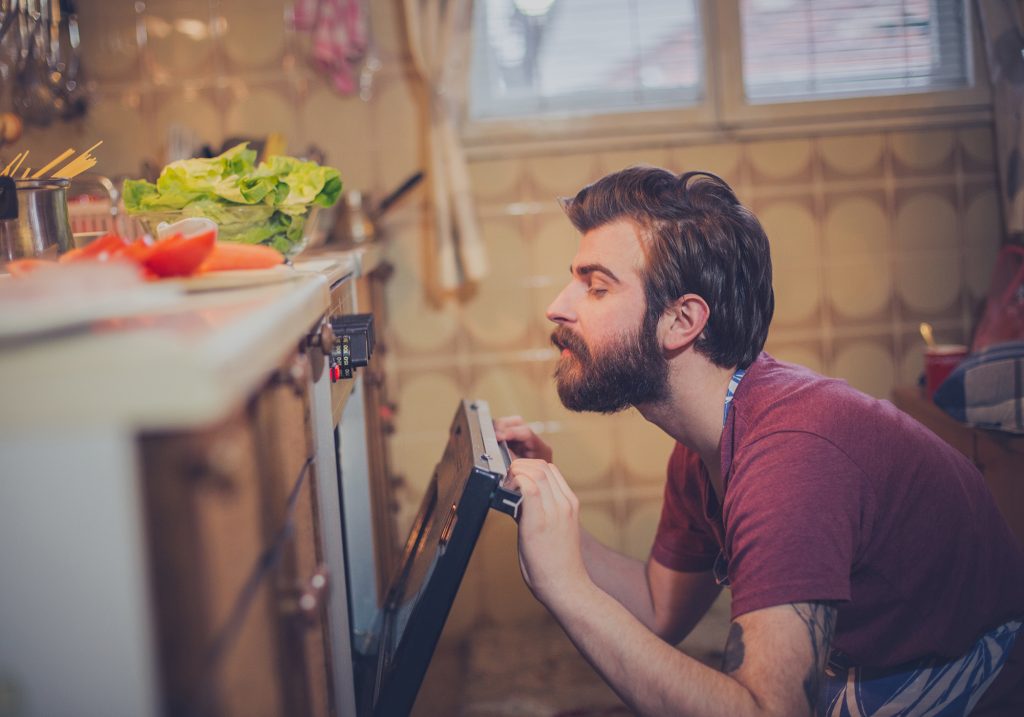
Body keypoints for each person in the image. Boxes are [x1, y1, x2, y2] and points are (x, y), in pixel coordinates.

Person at [494, 166, 1024, 717]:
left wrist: (566, 589)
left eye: (597, 287)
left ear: (682, 320)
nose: (558, 306)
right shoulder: (704, 444)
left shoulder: (791, 459)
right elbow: (658, 608)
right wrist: (547, 513)